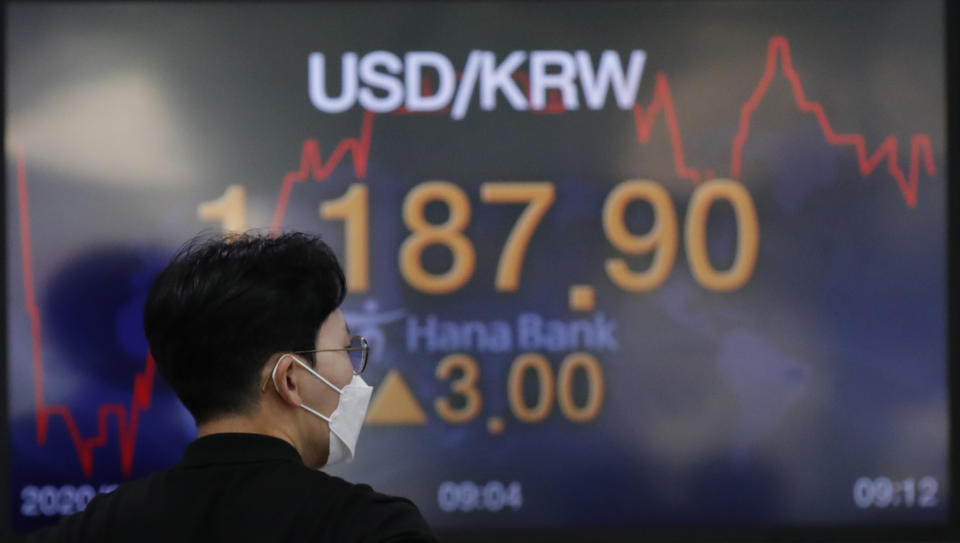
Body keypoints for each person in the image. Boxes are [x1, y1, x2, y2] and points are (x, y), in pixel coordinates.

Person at [26, 231, 438, 543]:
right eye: (345, 349)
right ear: (290, 379)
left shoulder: (95, 527)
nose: (353, 375)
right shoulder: (373, 528)